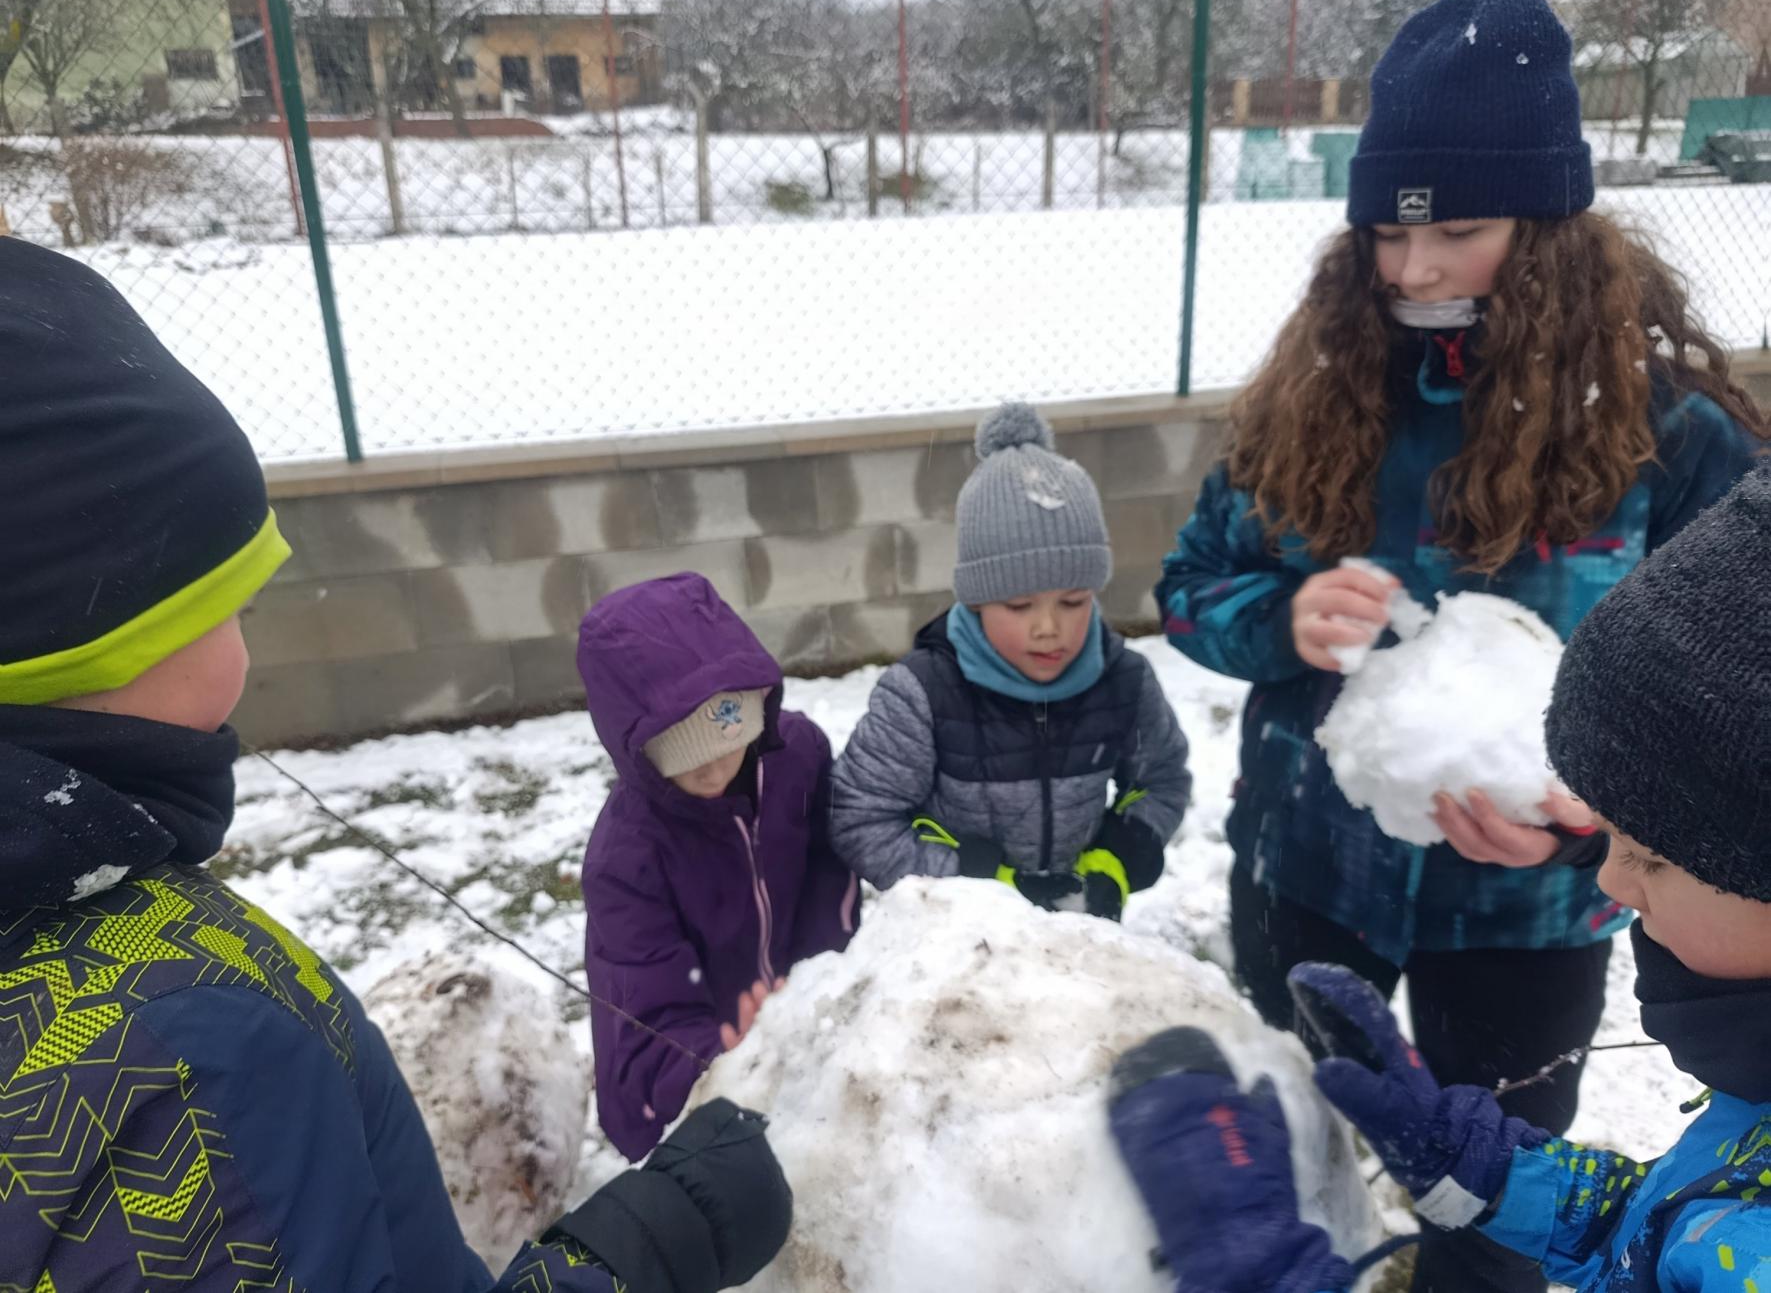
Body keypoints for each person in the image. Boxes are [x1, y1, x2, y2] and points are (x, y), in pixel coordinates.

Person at [0, 236, 791, 1293]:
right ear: (99, 638)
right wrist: (656, 1228)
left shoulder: (102, 955)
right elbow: (637, 983)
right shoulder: (189, 1063)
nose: (247, 649)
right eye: (223, 607)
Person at [1154, 0, 1766, 1290]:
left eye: (1457, 232)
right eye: (1385, 233)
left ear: (1548, 230)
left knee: (1486, 1209)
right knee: (1302, 1145)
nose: (1412, 269)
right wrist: (1276, 618)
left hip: (1530, 916)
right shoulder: (1315, 396)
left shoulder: (1666, 440)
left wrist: (1593, 819)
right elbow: (1187, 583)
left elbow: (1739, 725)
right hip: (1310, 873)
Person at [1111, 460, 1771, 1292]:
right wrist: (1480, 1168)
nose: (1608, 882)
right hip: (1318, 872)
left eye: (1650, 856)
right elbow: (1653, 1238)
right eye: (1608, 838)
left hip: (1511, 933)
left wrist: (1262, 1270)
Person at [832, 401, 1191, 922]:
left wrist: (1115, 859)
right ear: (975, 601)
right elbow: (861, 817)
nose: (1049, 626)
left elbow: (1162, 779)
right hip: (962, 942)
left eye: (1073, 601)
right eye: (1019, 606)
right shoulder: (923, 695)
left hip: (1080, 931)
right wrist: (981, 882)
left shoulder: (1123, 681)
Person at [578, 572, 860, 1161]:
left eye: (725, 745)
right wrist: (713, 1064)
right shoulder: (626, 858)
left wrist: (813, 984)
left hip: (793, 1017)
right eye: (682, 757)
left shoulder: (797, 758)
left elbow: (827, 876)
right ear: (635, 751)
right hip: (695, 1054)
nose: (712, 773)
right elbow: (643, 993)